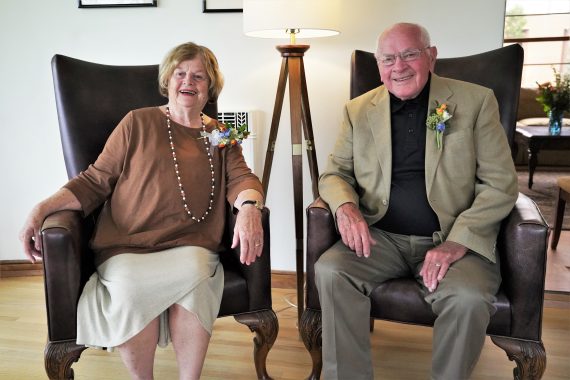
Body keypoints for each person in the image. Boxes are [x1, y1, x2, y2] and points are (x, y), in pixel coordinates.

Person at [19, 42, 265, 379]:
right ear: (168, 79)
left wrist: (250, 206)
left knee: (196, 275)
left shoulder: (221, 133)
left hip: (191, 246)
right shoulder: (136, 122)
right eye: (180, 73)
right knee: (131, 289)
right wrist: (39, 211)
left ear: (211, 87)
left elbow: (242, 178)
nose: (188, 82)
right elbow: (94, 180)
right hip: (128, 245)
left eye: (198, 76)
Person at [315, 23, 518, 379]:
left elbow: (500, 184)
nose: (399, 66)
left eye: (409, 54)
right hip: (382, 237)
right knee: (331, 271)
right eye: (388, 59)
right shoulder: (358, 110)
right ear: (378, 65)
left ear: (431, 56)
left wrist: (457, 243)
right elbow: (335, 174)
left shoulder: (475, 101)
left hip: (455, 240)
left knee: (468, 298)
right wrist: (346, 208)